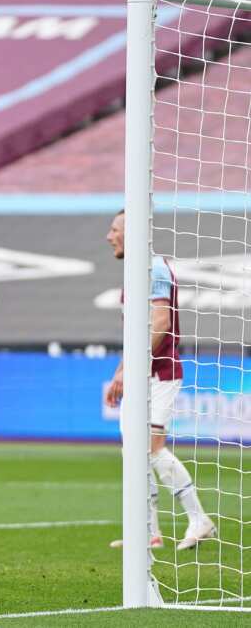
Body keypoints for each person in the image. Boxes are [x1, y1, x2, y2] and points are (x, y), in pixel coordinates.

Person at [104, 210, 214, 550]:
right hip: (142, 373)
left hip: (160, 373)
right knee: (132, 452)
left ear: (133, 234)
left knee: (151, 448)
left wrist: (129, 369)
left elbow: (161, 322)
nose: (109, 236)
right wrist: (123, 371)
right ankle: (147, 531)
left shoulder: (153, 268)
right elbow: (136, 333)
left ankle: (200, 520)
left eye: (115, 229)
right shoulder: (134, 271)